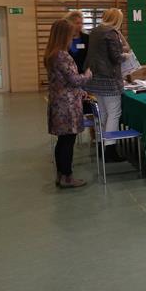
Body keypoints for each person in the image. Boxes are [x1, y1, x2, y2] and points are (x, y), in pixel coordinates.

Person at [45, 19, 92, 188]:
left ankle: (61, 174)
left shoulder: (51, 53)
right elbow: (74, 79)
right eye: (70, 35)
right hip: (67, 105)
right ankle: (67, 176)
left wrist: (79, 91)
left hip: (59, 101)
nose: (72, 38)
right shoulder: (62, 55)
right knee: (68, 142)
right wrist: (87, 75)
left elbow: (62, 80)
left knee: (62, 140)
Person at [84, 8, 130, 163]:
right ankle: (110, 149)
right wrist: (126, 56)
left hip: (95, 78)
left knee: (103, 113)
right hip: (109, 80)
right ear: (117, 19)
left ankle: (101, 144)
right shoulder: (111, 33)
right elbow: (116, 57)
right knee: (114, 113)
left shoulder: (95, 31)